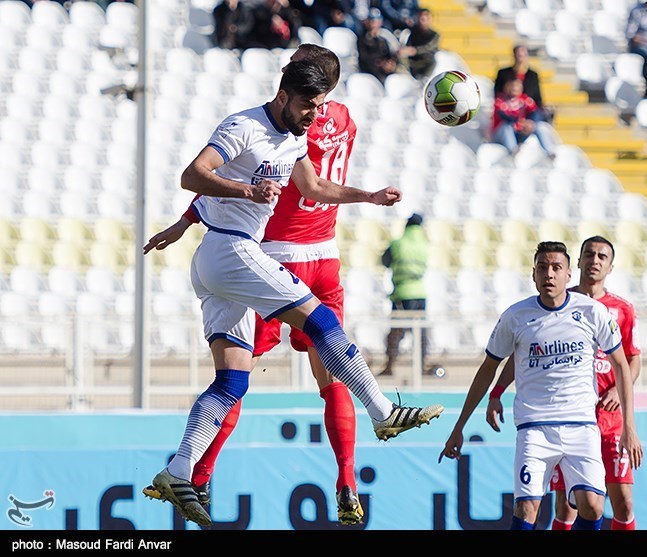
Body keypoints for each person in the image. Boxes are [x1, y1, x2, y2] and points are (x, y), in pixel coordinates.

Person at [144, 57, 444, 527]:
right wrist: (245, 193)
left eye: (320, 104)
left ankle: (177, 470)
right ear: (282, 94)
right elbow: (192, 175)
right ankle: (383, 411)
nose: (314, 114)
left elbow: (313, 185)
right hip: (233, 251)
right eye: (308, 104)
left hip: (221, 259)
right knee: (322, 320)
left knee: (233, 382)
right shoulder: (244, 125)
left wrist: (367, 196)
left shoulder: (296, 135)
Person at [439, 241, 643, 531]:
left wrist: (629, 429)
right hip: (534, 429)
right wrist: (460, 425)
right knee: (526, 509)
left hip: (582, 426)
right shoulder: (516, 316)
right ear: (533, 274)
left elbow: (624, 364)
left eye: (556, 268)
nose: (549, 274)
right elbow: (489, 368)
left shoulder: (593, 312)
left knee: (593, 505)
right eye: (543, 268)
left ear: (568, 274)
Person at [378, 213, 439, 377]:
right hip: (420, 292)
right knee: (420, 333)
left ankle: (390, 365)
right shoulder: (425, 244)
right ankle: (422, 366)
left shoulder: (398, 243)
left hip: (403, 292)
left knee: (396, 332)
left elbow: (385, 261)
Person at [491, 78, 557, 157]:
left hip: (520, 131)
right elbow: (504, 116)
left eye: (517, 86)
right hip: (501, 133)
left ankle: (550, 152)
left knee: (539, 126)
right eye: (512, 86)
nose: (515, 89)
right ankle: (513, 151)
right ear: (507, 87)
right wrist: (520, 122)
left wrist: (530, 123)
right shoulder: (500, 100)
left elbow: (536, 113)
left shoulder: (525, 99)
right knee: (507, 127)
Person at [494, 44, 552, 125]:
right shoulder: (504, 73)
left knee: (540, 117)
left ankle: (527, 126)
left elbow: (537, 97)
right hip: (510, 109)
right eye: (518, 55)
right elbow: (497, 93)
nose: (520, 58)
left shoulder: (533, 75)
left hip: (529, 110)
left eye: (523, 55)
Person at [356, 8, 399, 85]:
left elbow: (389, 54)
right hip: (370, 73)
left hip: (384, 72)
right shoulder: (362, 39)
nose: (374, 23)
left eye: (376, 20)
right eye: (371, 20)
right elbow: (364, 58)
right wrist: (380, 63)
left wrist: (390, 63)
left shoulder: (383, 39)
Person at [397, 7, 439, 81]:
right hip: (412, 62)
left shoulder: (434, 35)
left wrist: (414, 50)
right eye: (421, 18)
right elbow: (404, 44)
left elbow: (428, 47)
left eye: (426, 18)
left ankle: (424, 80)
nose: (423, 20)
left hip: (425, 62)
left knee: (433, 61)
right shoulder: (411, 32)